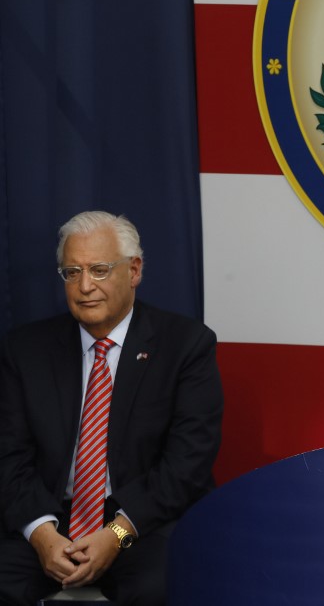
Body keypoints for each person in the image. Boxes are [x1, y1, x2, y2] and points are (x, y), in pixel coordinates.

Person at [0, 211, 223, 605]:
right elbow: (8, 456)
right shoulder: (24, 350)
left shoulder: (186, 346)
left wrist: (116, 534)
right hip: (50, 516)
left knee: (161, 587)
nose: (85, 286)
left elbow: (187, 465)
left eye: (100, 270)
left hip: (144, 522)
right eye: (72, 272)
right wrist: (42, 534)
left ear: (134, 270)